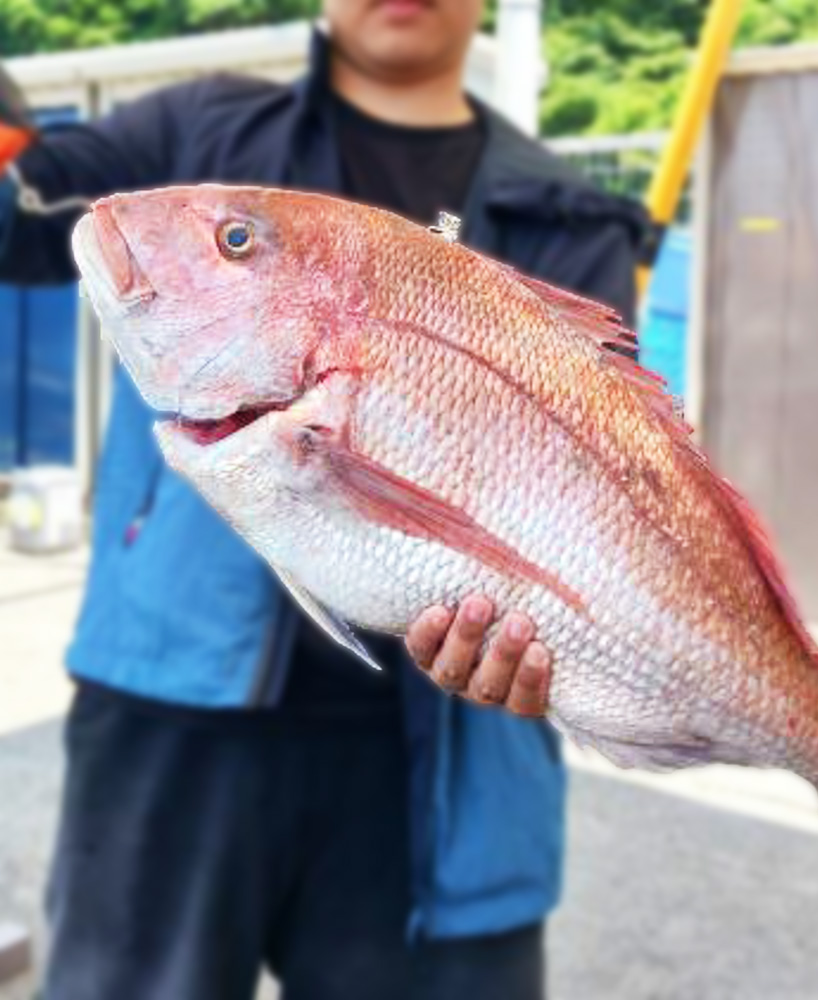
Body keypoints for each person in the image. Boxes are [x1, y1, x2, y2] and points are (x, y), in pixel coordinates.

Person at [0, 2, 645, 998]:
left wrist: (566, 643)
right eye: (239, 236)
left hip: (454, 764)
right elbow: (20, 218)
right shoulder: (198, 129)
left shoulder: (568, 214)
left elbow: (610, 483)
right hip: (170, 718)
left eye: (233, 238)